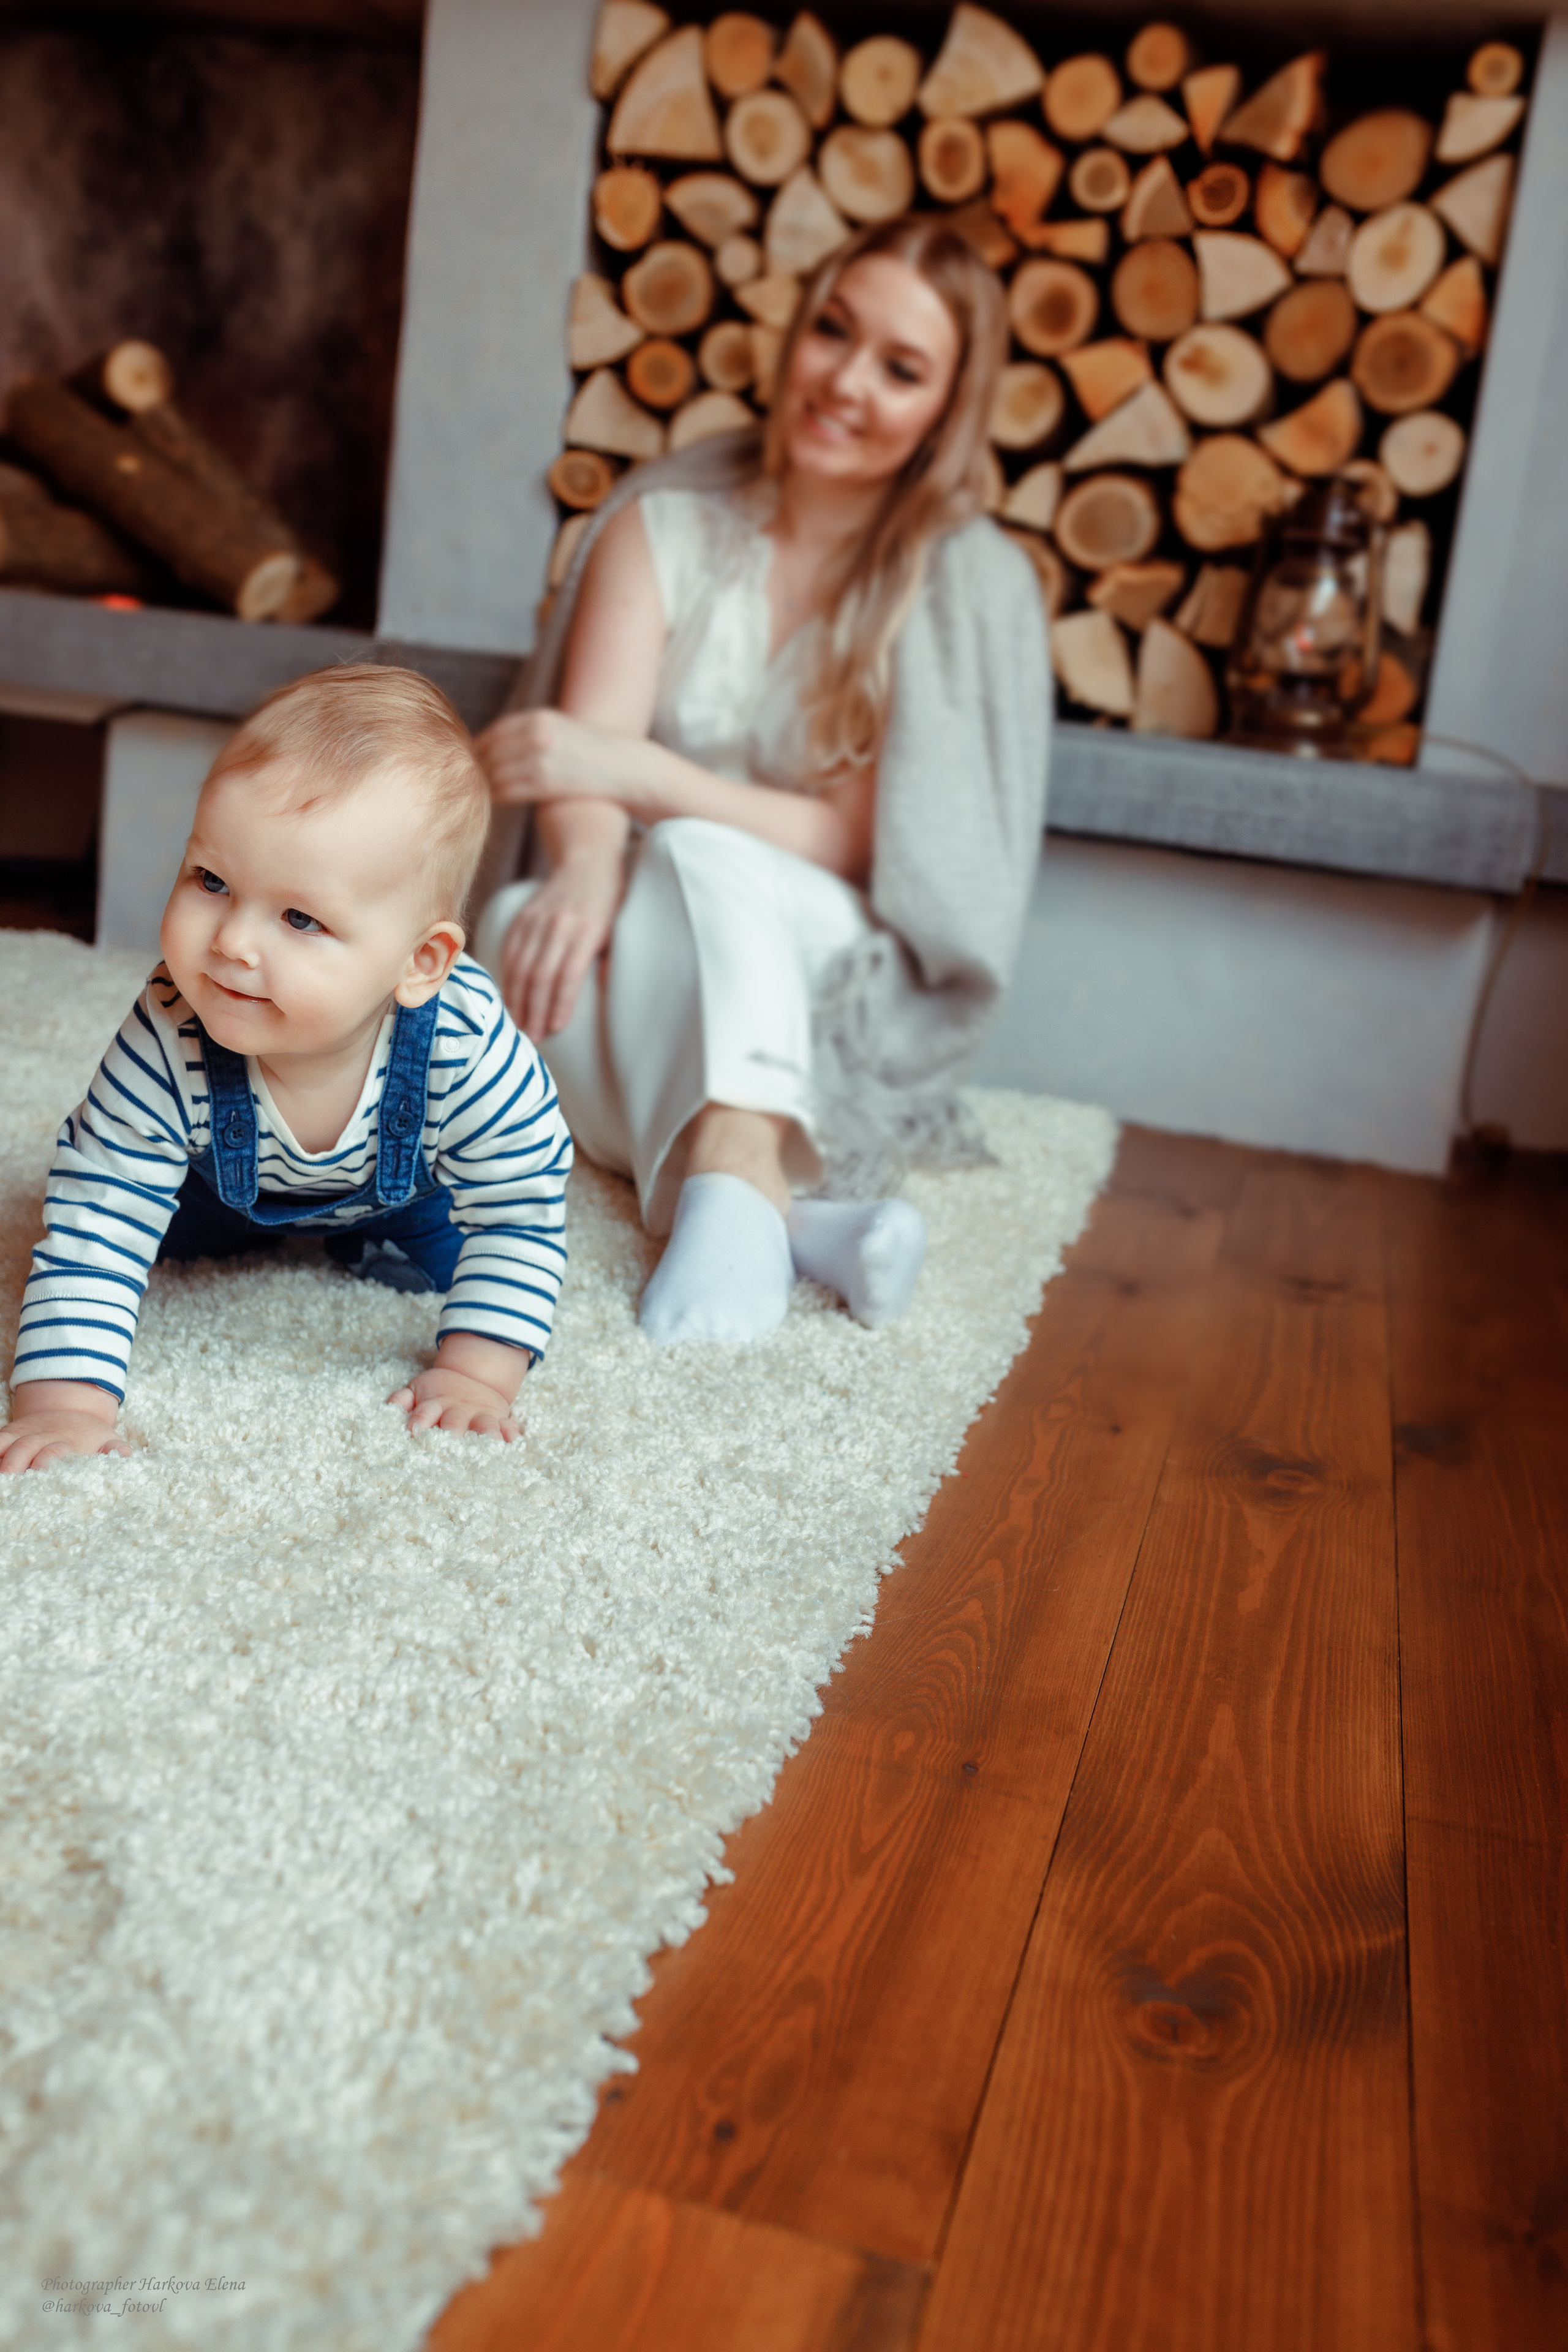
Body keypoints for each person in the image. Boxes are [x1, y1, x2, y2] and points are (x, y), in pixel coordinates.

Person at [475, 213, 1050, 1348]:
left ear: (948, 405)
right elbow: (576, 764)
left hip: (819, 944)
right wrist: (585, 868)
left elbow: (853, 842)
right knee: (502, 935)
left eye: (901, 368)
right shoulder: (666, 522)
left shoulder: (951, 581)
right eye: (833, 331)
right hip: (649, 929)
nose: (846, 381)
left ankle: (736, 1161)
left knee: (699, 847)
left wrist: (642, 776)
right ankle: (797, 1223)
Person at [0, 665, 572, 1475]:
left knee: (478, 1279)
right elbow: (101, 1204)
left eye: (301, 917)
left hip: (406, 1200)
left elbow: (521, 1206)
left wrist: (476, 1376)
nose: (232, 942)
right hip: (206, 1194)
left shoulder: (467, 1043)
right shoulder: (169, 1026)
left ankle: (370, 1250)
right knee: (127, 1251)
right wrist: (63, 1405)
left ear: (421, 961)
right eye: (212, 881)